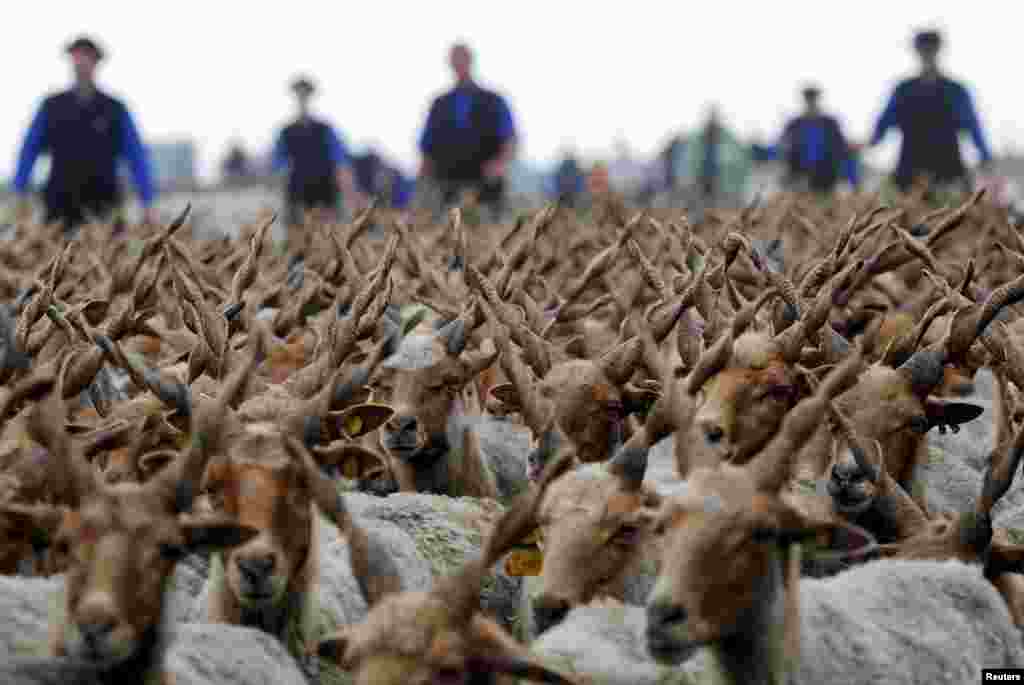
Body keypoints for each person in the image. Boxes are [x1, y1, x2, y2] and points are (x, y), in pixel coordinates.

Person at [12, 35, 158, 232]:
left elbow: (137, 156)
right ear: (71, 60)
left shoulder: (115, 109)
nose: (81, 62)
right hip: (59, 208)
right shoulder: (52, 106)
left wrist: (147, 201)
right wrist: (19, 192)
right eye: (77, 56)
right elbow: (28, 150)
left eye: (87, 56)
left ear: (96, 61)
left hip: (105, 208)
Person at [860, 29, 992, 193]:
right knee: (905, 213)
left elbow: (972, 125)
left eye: (931, 49)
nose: (927, 54)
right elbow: (884, 124)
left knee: (956, 212)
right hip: (910, 167)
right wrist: (865, 144)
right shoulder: (903, 90)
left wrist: (985, 155)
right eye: (923, 49)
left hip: (948, 165)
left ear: (938, 50)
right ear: (917, 52)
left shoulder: (955, 90)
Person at [418, 42, 517, 220]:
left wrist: (498, 165)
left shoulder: (493, 101)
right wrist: (424, 181)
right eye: (455, 60)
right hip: (447, 182)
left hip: (486, 182)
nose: (459, 64)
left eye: (463, 59)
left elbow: (509, 139)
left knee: (490, 228)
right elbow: (426, 146)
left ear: (471, 61)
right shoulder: (439, 104)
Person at [271, 76, 363, 227]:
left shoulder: (325, 129)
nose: (302, 99)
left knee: (327, 236)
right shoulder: (285, 132)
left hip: (325, 193)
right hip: (297, 194)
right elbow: (277, 163)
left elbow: (341, 160)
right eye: (299, 95)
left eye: (305, 95)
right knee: (299, 238)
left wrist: (350, 191)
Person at [779, 85, 859, 193]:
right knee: (800, 203)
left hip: (826, 174)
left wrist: (850, 177)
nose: (811, 102)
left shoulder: (829, 123)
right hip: (799, 174)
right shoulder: (795, 123)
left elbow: (842, 148)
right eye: (808, 98)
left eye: (813, 98)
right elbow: (782, 146)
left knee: (824, 203)